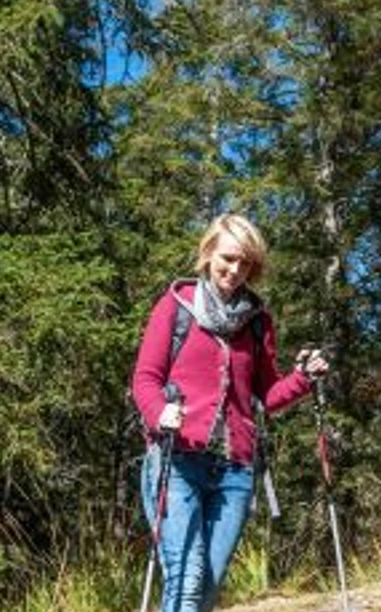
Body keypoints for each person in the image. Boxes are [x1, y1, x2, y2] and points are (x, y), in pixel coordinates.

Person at [132, 213, 329, 612]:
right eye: (228, 258)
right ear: (208, 254)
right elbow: (145, 379)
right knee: (186, 580)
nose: (235, 270)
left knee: (207, 586)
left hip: (234, 470)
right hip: (176, 459)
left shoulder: (257, 321)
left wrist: (303, 378)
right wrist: (159, 413)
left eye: (245, 262)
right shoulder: (175, 307)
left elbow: (268, 395)